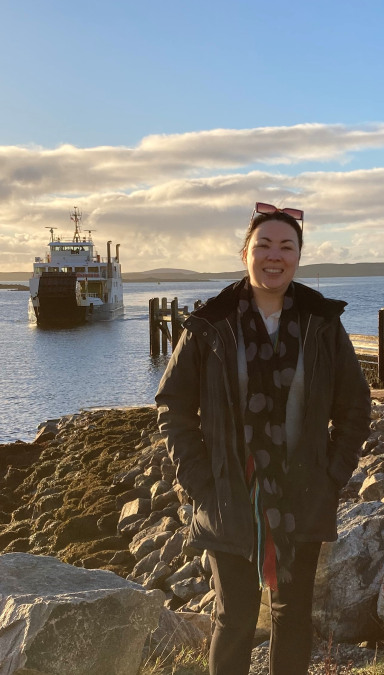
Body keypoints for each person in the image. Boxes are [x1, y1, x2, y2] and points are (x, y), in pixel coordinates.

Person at [155, 202, 371, 675]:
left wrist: (331, 476)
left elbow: (355, 406)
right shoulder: (211, 323)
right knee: (233, 619)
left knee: (292, 617)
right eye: (264, 245)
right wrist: (201, 481)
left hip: (303, 492)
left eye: (286, 247)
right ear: (245, 253)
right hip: (228, 494)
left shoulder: (321, 322)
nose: (275, 256)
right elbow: (173, 406)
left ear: (299, 256)